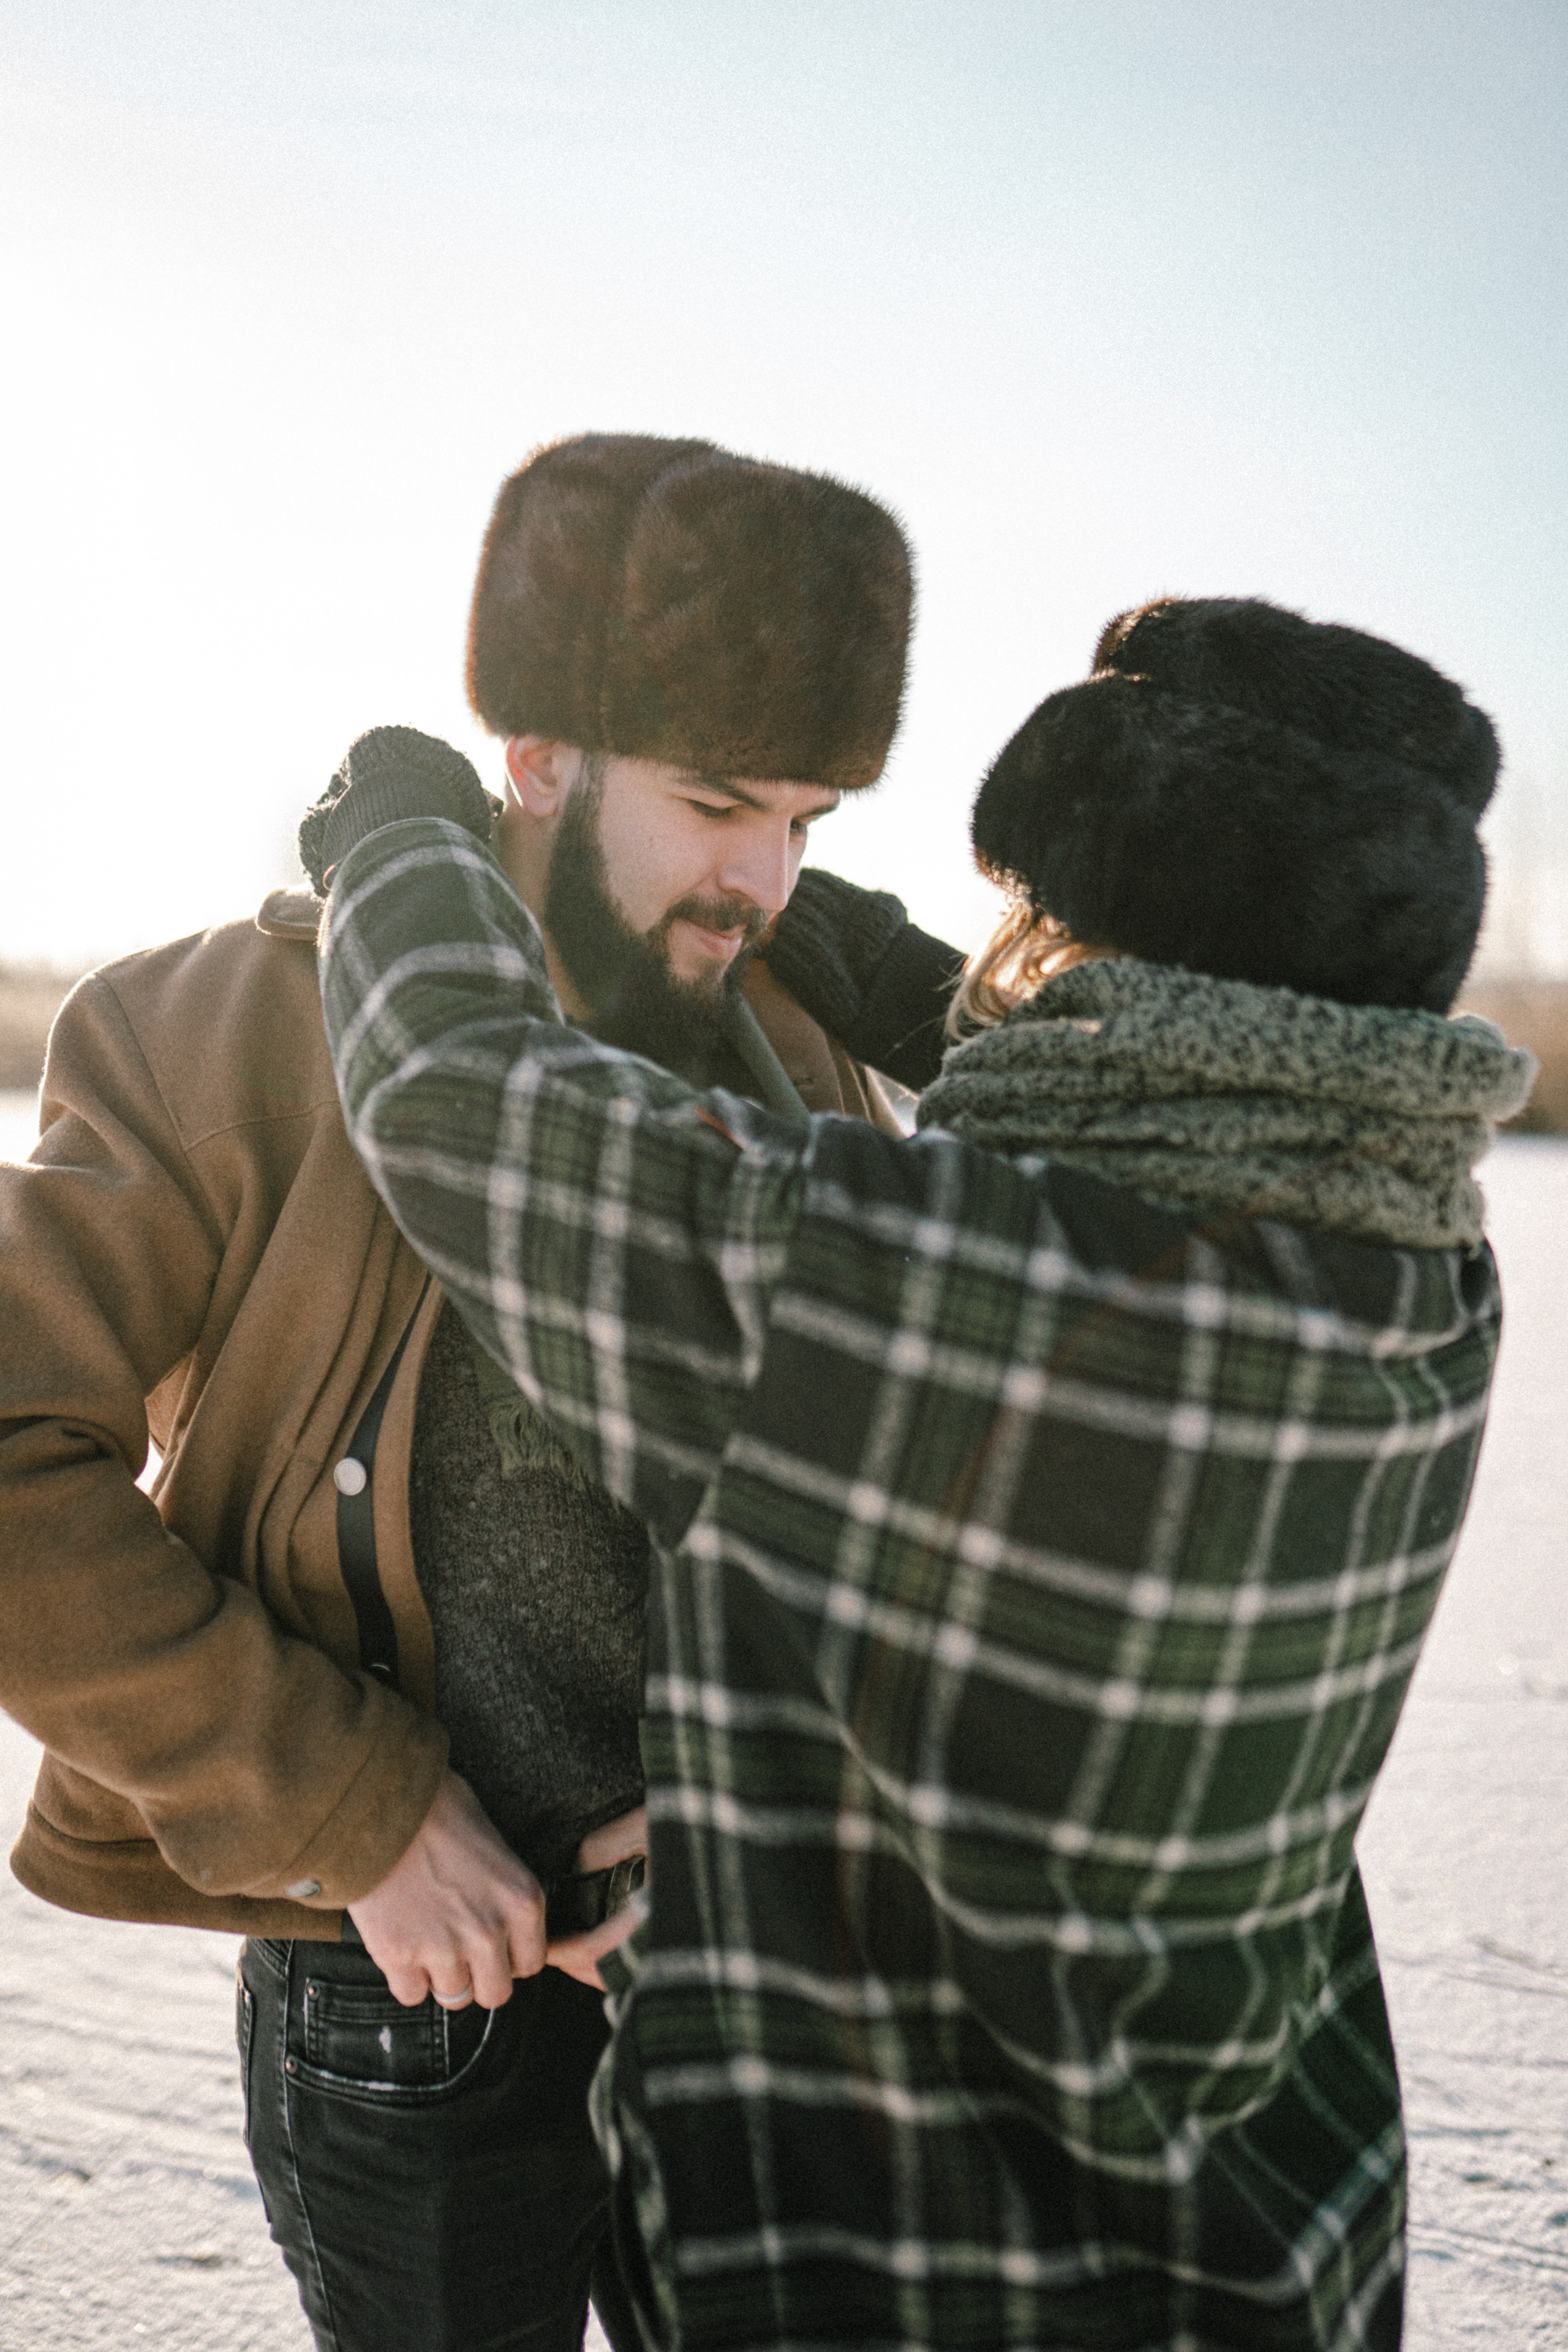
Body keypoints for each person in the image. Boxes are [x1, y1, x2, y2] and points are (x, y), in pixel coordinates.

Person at [313, 596, 1534, 2351]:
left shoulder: (904, 1282)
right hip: (1270, 2240)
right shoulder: (1418, 1269)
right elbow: (1096, 1118)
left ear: (1096, 948)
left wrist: (404, 822)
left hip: (909, 2273)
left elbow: (456, 1088)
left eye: (1037, 917)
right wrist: (815, 923)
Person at [0, 431, 914, 2352]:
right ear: (539, 756)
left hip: (751, 1998)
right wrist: (360, 1811)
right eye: (718, 802)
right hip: (405, 1994)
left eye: (810, 819)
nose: (762, 877)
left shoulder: (797, 1046)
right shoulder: (216, 1029)